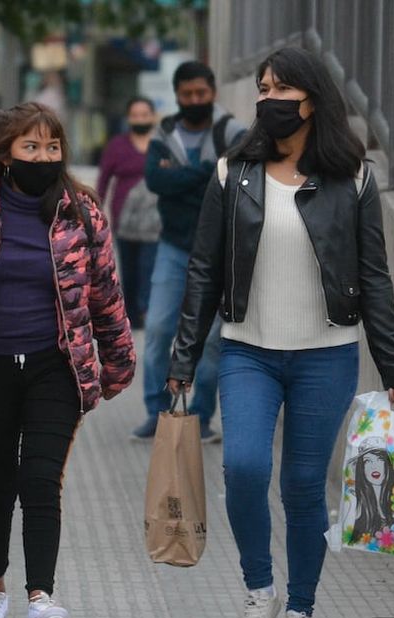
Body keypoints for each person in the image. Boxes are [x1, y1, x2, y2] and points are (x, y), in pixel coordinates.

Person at [166, 47, 394, 618]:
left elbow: (373, 275)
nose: (266, 98)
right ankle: (259, 591)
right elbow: (203, 270)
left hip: (326, 354)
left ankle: (300, 610)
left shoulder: (352, 177)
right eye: (262, 87)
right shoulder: (233, 173)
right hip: (248, 350)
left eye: (280, 88)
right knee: (244, 468)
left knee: (303, 486)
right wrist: (184, 360)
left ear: (312, 98)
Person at [0, 102, 135, 618]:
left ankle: (40, 599)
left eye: (52, 148)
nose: (43, 157)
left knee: (40, 478)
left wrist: (118, 361)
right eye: (31, 147)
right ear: (5, 153)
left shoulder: (82, 210)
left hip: (58, 366)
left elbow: (105, 291)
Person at [134, 61, 245, 441]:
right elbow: (156, 180)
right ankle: (157, 411)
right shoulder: (165, 132)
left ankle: (201, 416)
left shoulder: (233, 131)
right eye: (187, 95)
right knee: (159, 329)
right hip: (173, 246)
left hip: (220, 252)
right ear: (178, 95)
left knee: (213, 339)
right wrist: (206, 171)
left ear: (212, 91)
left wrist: (181, 178)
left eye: (201, 93)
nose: (194, 100)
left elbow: (238, 184)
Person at [96, 96, 158, 328]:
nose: (140, 119)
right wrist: (96, 210)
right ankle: (131, 313)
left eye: (144, 114)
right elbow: (103, 180)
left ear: (152, 117)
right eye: (135, 115)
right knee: (130, 269)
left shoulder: (163, 144)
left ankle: (146, 310)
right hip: (125, 220)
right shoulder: (117, 146)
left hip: (156, 221)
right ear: (128, 118)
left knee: (149, 267)